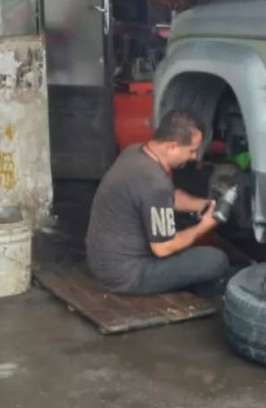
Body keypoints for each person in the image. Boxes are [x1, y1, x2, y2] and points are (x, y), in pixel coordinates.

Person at [86, 109, 229, 295]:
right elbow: (163, 248)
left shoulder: (135, 152)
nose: (194, 157)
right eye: (191, 150)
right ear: (171, 147)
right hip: (129, 275)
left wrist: (203, 205)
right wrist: (204, 226)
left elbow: (169, 196)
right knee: (215, 260)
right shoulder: (155, 183)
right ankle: (203, 296)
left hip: (103, 263)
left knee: (184, 231)